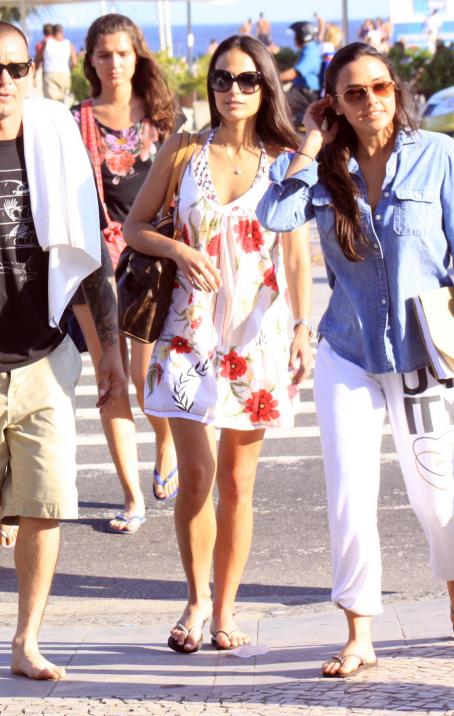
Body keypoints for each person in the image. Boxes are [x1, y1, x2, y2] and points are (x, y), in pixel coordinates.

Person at [257, 41, 454, 677]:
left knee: (438, 497)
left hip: (424, 348)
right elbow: (274, 214)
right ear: (333, 103)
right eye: (353, 92)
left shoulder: (439, 157)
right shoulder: (323, 167)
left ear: (397, 92)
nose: (371, 101)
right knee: (350, 494)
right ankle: (359, 633)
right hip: (348, 349)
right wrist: (312, 144)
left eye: (380, 88)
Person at [124, 34, 313, 652]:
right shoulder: (182, 150)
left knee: (237, 481)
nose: (233, 91)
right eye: (223, 80)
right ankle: (196, 601)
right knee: (198, 474)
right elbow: (133, 228)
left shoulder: (285, 158)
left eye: (247, 80)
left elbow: (294, 255)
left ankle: (227, 609)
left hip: (255, 335)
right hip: (186, 331)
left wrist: (303, 330)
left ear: (265, 87)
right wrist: (178, 247)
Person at [0, 21, 125, 678]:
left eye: (16, 69)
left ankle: (26, 642)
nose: (4, 81)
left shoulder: (50, 144)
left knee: (44, 507)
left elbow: (83, 258)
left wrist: (109, 355)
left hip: (42, 357)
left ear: (30, 72)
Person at [70, 14, 179, 532]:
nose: (114, 63)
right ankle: (131, 497)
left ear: (138, 56)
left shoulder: (164, 117)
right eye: (104, 54)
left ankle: (165, 442)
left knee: (144, 377)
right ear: (89, 60)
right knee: (110, 381)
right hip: (93, 267)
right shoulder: (75, 121)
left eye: (123, 52)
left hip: (154, 264)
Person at [280, 21, 321, 127]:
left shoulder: (310, 52)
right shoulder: (308, 50)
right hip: (301, 91)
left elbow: (295, 73)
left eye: (297, 35)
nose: (295, 38)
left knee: (278, 100)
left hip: (307, 94)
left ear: (303, 36)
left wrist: (274, 77)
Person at [37, 23, 77, 102]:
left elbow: (38, 59)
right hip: (65, 74)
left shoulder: (46, 43)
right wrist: (70, 71)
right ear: (62, 32)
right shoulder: (69, 44)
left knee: (51, 103)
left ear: (52, 32)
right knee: (63, 102)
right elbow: (74, 62)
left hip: (50, 74)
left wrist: (34, 73)